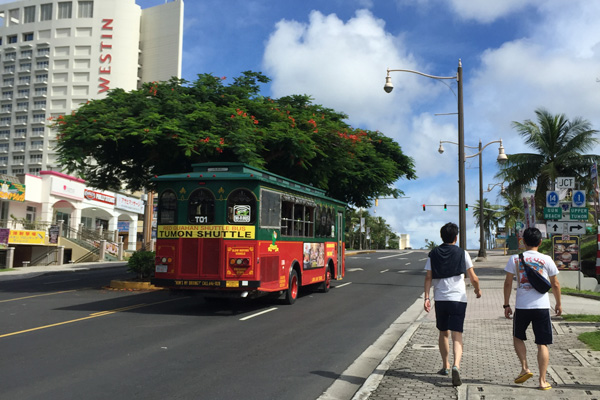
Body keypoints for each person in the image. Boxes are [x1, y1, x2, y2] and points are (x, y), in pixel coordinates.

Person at [503, 227, 562, 391]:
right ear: (540, 242)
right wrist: (558, 303)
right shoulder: (547, 259)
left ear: (523, 242)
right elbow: (555, 284)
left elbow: (508, 283)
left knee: (517, 336)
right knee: (542, 343)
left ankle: (525, 367)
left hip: (522, 306)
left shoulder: (514, 259)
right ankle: (542, 381)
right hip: (542, 307)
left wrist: (506, 304)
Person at [424, 222, 482, 386]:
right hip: (458, 299)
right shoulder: (462, 253)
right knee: (457, 334)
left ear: (441, 236)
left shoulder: (433, 253)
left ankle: (446, 366)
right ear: (456, 238)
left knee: (443, 333)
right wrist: (478, 290)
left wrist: (427, 298)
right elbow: (473, 276)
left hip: (441, 299)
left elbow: (428, 277)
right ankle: (456, 365)